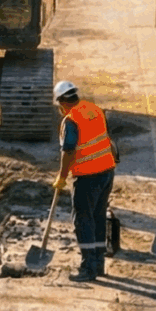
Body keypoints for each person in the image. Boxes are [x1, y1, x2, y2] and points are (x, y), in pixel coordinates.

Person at [52, 79, 117, 281]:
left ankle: (87, 268)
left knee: (83, 219)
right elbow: (107, 138)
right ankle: (98, 265)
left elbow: (69, 151)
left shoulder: (71, 120)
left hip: (87, 176)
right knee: (97, 216)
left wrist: (62, 177)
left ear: (62, 102)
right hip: (107, 171)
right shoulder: (94, 109)